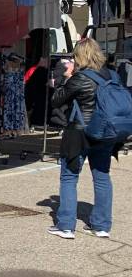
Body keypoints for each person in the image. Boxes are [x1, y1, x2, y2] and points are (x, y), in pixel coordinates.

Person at [49, 38, 114, 239]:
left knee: (69, 177)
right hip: (105, 132)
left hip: (79, 132)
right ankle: (101, 226)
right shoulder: (111, 75)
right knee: (102, 177)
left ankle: (66, 226)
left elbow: (56, 100)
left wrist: (67, 77)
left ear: (78, 56)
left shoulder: (79, 78)